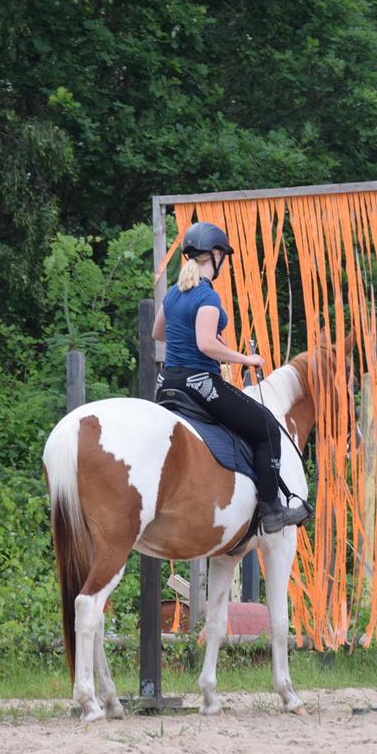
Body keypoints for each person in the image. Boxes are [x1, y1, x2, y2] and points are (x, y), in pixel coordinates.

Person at [152, 222, 311, 534]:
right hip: (199, 384)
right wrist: (246, 358)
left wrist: (199, 337)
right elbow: (205, 345)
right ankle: (271, 509)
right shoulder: (207, 297)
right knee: (267, 427)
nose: (223, 262)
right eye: (223, 256)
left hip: (167, 384)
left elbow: (159, 332)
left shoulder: (172, 294)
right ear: (215, 255)